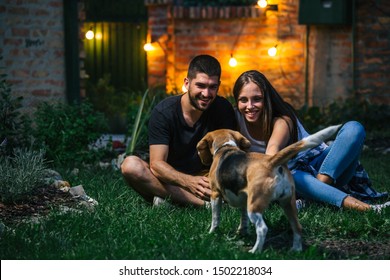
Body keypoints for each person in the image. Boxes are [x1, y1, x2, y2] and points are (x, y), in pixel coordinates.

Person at [232, 70, 389, 212]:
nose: (249, 106)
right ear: (237, 101)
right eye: (243, 100)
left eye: (257, 99)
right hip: (297, 180)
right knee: (294, 177)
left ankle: (316, 194)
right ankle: (367, 209)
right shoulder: (236, 120)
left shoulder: (282, 119)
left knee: (354, 128)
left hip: (327, 167)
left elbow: (271, 153)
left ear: (267, 99)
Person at [121, 54, 237, 207]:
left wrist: (212, 180)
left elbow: (227, 157)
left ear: (218, 86)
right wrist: (188, 182)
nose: (206, 94)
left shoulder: (223, 109)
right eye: (200, 86)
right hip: (171, 178)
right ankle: (204, 205)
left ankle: (171, 201)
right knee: (130, 165)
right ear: (187, 83)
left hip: (206, 179)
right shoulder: (164, 112)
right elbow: (156, 164)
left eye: (212, 87)